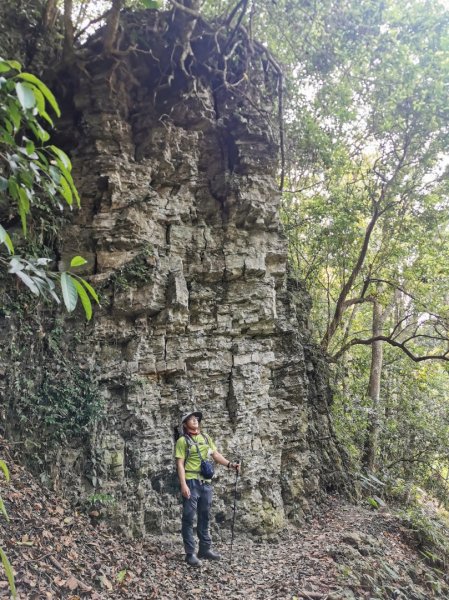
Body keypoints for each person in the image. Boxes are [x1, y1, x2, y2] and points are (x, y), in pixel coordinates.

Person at [175, 410, 240, 566]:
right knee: (189, 517)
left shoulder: (205, 438)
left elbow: (215, 455)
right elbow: (180, 464)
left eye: (196, 418)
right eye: (190, 419)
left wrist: (230, 465)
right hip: (191, 481)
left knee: (204, 515)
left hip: (206, 483)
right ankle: (190, 553)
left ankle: (204, 549)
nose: (195, 420)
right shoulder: (182, 441)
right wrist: (183, 484)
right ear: (185, 424)